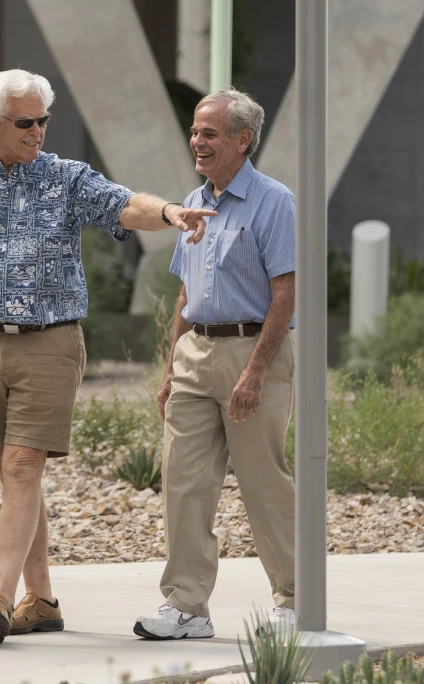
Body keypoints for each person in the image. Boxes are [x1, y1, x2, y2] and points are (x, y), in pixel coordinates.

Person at [0, 69, 216, 643]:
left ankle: (0, 598)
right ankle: (44, 600)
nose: (38, 131)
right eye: (26, 122)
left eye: (44, 120)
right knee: (13, 473)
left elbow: (122, 205)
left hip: (49, 343)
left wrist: (171, 213)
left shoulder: (65, 178)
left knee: (25, 467)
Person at [133, 89, 297, 640]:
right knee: (182, 484)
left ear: (242, 140)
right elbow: (187, 291)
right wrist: (169, 368)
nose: (196, 141)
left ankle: (295, 602)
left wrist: (254, 371)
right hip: (194, 355)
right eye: (196, 131)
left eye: (209, 132)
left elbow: (286, 293)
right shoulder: (192, 200)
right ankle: (186, 607)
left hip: (253, 355)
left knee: (262, 483)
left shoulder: (275, 202)